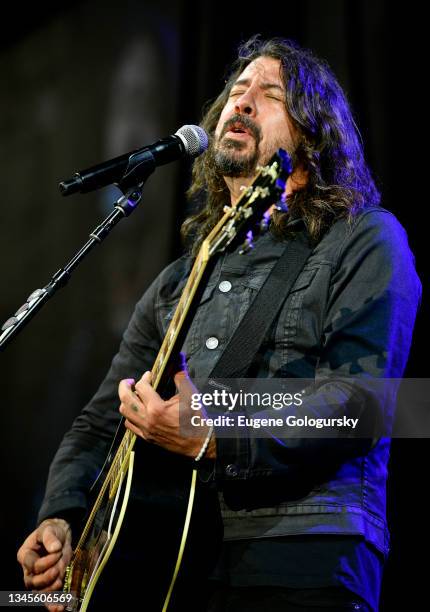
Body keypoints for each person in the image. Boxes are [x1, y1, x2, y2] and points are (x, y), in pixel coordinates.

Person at [17, 36, 421, 612]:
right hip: (170, 564)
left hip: (299, 559)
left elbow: (367, 404)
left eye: (271, 93)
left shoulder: (365, 240)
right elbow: (99, 422)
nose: (243, 101)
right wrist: (63, 515)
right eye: (237, 91)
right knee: (11, 603)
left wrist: (214, 431)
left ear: (313, 135)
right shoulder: (179, 280)